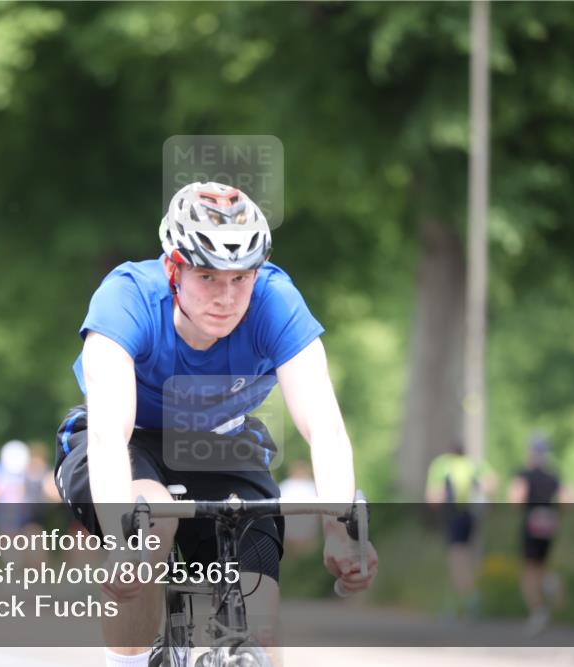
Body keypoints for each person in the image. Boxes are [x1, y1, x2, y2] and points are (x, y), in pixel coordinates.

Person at [53, 181, 379, 667]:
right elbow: (108, 435)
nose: (226, 297)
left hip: (222, 441)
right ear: (173, 269)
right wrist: (124, 545)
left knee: (262, 622)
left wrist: (339, 527)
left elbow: (325, 428)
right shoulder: (126, 299)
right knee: (149, 520)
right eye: (207, 276)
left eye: (241, 278)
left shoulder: (276, 301)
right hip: (126, 446)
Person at [507, 434, 573, 635]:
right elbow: (568, 500)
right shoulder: (553, 475)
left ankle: (537, 610)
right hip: (549, 521)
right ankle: (551, 584)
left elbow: (516, 499)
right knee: (542, 564)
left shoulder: (525, 474)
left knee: (529, 569)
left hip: (532, 521)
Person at [425, 439, 497, 618]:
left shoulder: (442, 464)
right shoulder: (474, 464)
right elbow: (492, 483)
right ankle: (461, 601)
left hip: (453, 516)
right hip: (471, 516)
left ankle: (468, 598)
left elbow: (432, 497)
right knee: (466, 556)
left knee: (457, 558)